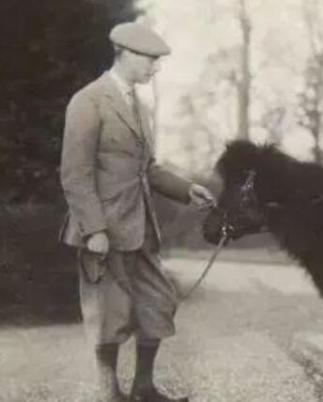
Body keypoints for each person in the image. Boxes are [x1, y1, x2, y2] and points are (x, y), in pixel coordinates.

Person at [59, 22, 215, 402]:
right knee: (108, 314)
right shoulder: (88, 101)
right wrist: (94, 229)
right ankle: (109, 393)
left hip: (140, 228)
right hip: (104, 230)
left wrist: (186, 189)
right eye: (150, 60)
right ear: (126, 54)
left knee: (159, 302)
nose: (155, 68)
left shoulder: (139, 107)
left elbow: (148, 169)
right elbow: (75, 174)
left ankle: (143, 388)